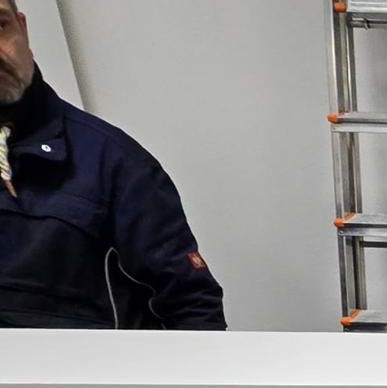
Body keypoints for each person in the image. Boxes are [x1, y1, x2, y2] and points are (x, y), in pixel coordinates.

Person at [0, 0, 224, 328]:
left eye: (1, 26)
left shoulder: (115, 164)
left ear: (22, 28)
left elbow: (191, 308)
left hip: (80, 362)